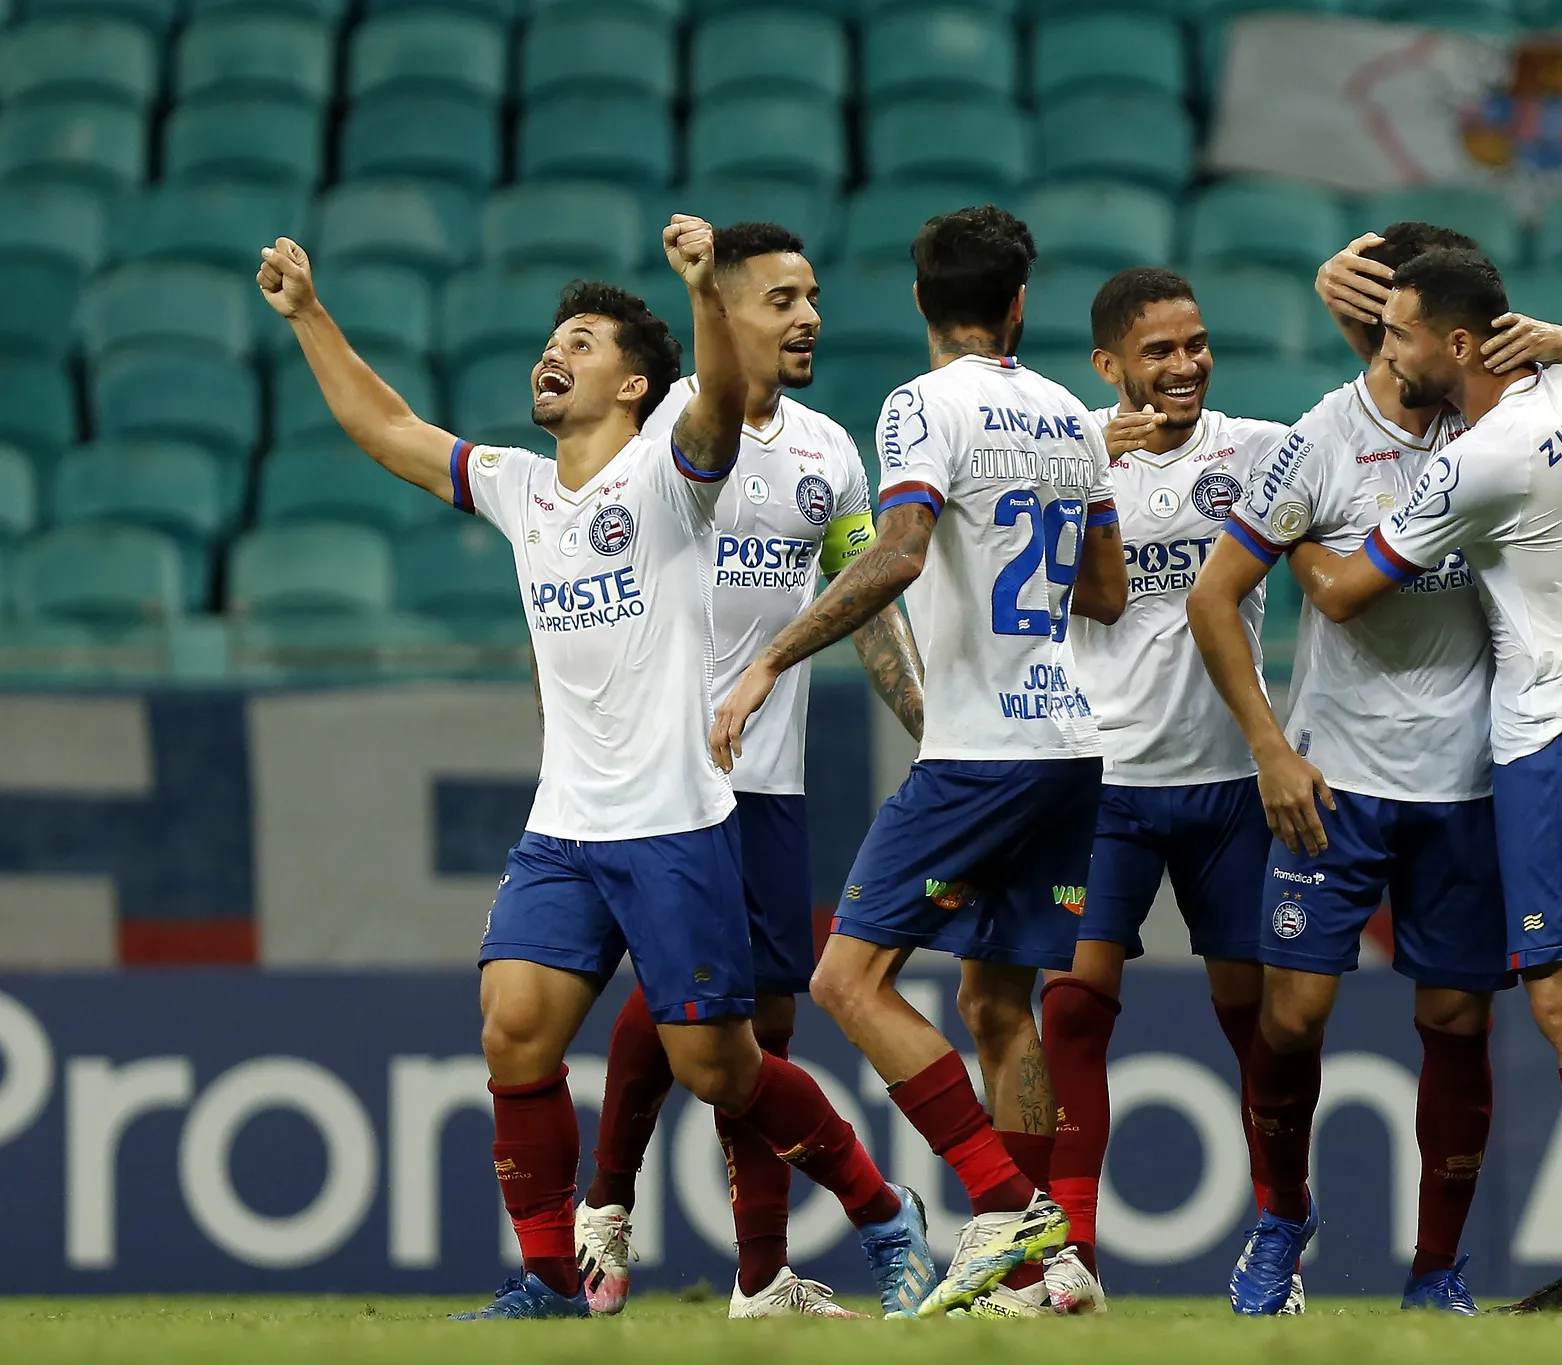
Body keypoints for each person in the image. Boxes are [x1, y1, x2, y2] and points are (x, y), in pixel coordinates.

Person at [254, 217, 934, 1321]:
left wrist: (705, 291)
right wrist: (308, 316)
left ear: (632, 387)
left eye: (582, 340)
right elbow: (384, 426)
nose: (553, 352)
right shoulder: (524, 490)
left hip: (674, 823)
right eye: (552, 337)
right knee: (512, 1025)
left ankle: (879, 1209)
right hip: (565, 824)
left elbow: (716, 399)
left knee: (721, 1070)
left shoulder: (673, 483)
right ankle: (548, 1281)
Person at [709, 205, 1127, 1319]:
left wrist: (768, 663)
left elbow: (895, 554)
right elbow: (1105, 593)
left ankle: (1002, 1206)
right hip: (1069, 739)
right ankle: (1046, 1272)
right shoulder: (1069, 421)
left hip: (979, 745)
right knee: (998, 1002)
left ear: (917, 301)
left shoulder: (916, 407)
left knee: (847, 980)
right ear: (1019, 306)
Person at [1276, 245, 1562, 1314]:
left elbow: (1343, 594)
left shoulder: (1476, 465)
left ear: (1458, 342)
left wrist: (1283, 539)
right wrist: (1558, 339)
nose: (1382, 347)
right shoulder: (1555, 387)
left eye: (1399, 331)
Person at [568, 222, 927, 1319]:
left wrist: (926, 719)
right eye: (779, 298)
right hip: (665, 776)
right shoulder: (664, 448)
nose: (808, 314)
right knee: (702, 1010)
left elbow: (860, 601)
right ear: (720, 311)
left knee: (759, 1025)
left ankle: (757, 1278)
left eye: (812, 293)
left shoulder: (827, 453)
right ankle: (610, 1200)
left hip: (769, 778)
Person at [1029, 267, 1291, 1316]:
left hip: (1230, 784)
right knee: (1075, 1007)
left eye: (1194, 344)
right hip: (1106, 780)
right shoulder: (1065, 459)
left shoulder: (1262, 453)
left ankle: (1278, 1243)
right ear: (1107, 367)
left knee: (1257, 1022)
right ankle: (1072, 1257)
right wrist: (1082, 468)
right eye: (1157, 352)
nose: (1183, 366)